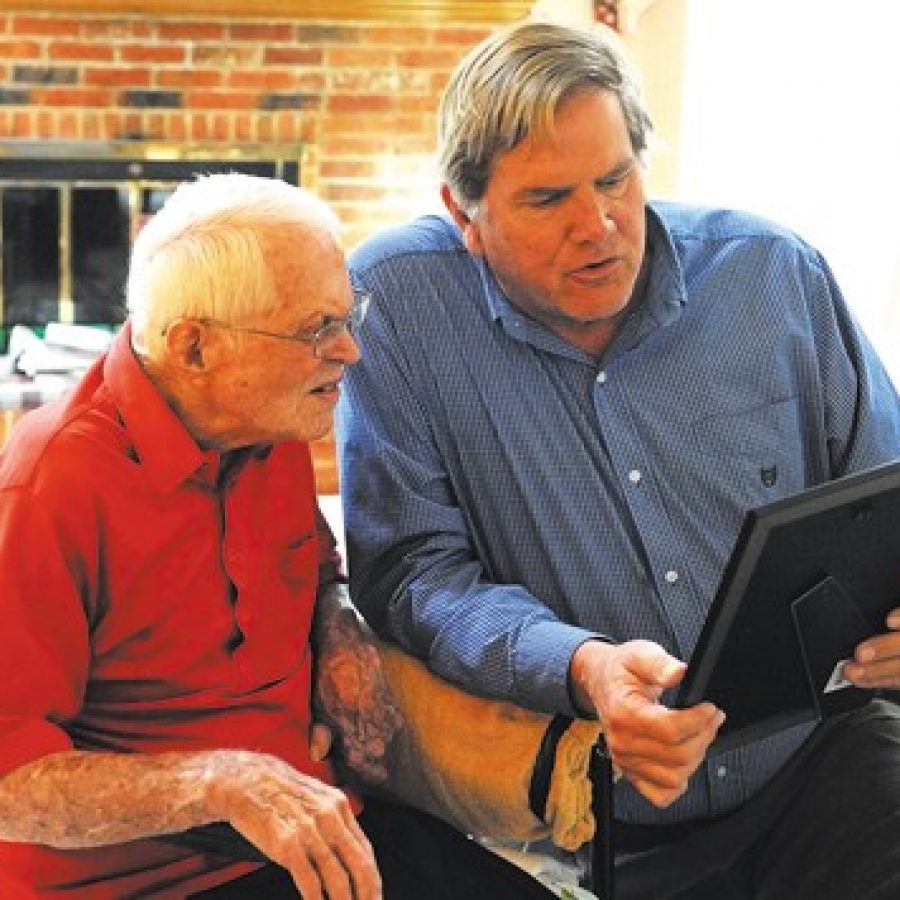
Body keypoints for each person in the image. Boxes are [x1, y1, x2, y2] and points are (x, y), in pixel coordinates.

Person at [337, 20, 900, 900]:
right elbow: (410, 571)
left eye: (615, 179)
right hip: (604, 814)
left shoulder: (770, 273)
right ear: (464, 213)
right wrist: (582, 664)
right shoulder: (397, 308)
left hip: (824, 758)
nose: (597, 225)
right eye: (547, 199)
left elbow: (886, 494)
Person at [0, 173, 561, 899]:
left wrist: (337, 626)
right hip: (149, 880)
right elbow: (10, 780)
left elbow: (314, 565)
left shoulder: (269, 421)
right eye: (314, 331)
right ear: (195, 349)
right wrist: (219, 781)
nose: (349, 352)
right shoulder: (50, 485)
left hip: (314, 829)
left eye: (346, 315)